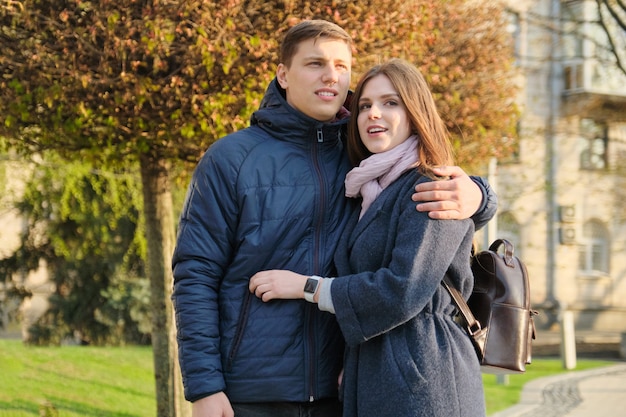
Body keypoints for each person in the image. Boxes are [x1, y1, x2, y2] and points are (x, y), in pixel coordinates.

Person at [172, 20, 494, 417]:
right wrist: (205, 387)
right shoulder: (231, 159)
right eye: (315, 64)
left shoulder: (362, 159)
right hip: (253, 393)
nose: (331, 76)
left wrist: (479, 195)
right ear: (283, 75)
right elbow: (196, 274)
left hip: (346, 393)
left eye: (342, 66)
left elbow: (433, 181)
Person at [249, 58, 487, 417]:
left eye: (390, 103)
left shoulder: (433, 188)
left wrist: (305, 287)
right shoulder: (368, 189)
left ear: (415, 112)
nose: (373, 114)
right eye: (364, 105)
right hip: (375, 371)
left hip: (424, 375)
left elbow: (402, 290)